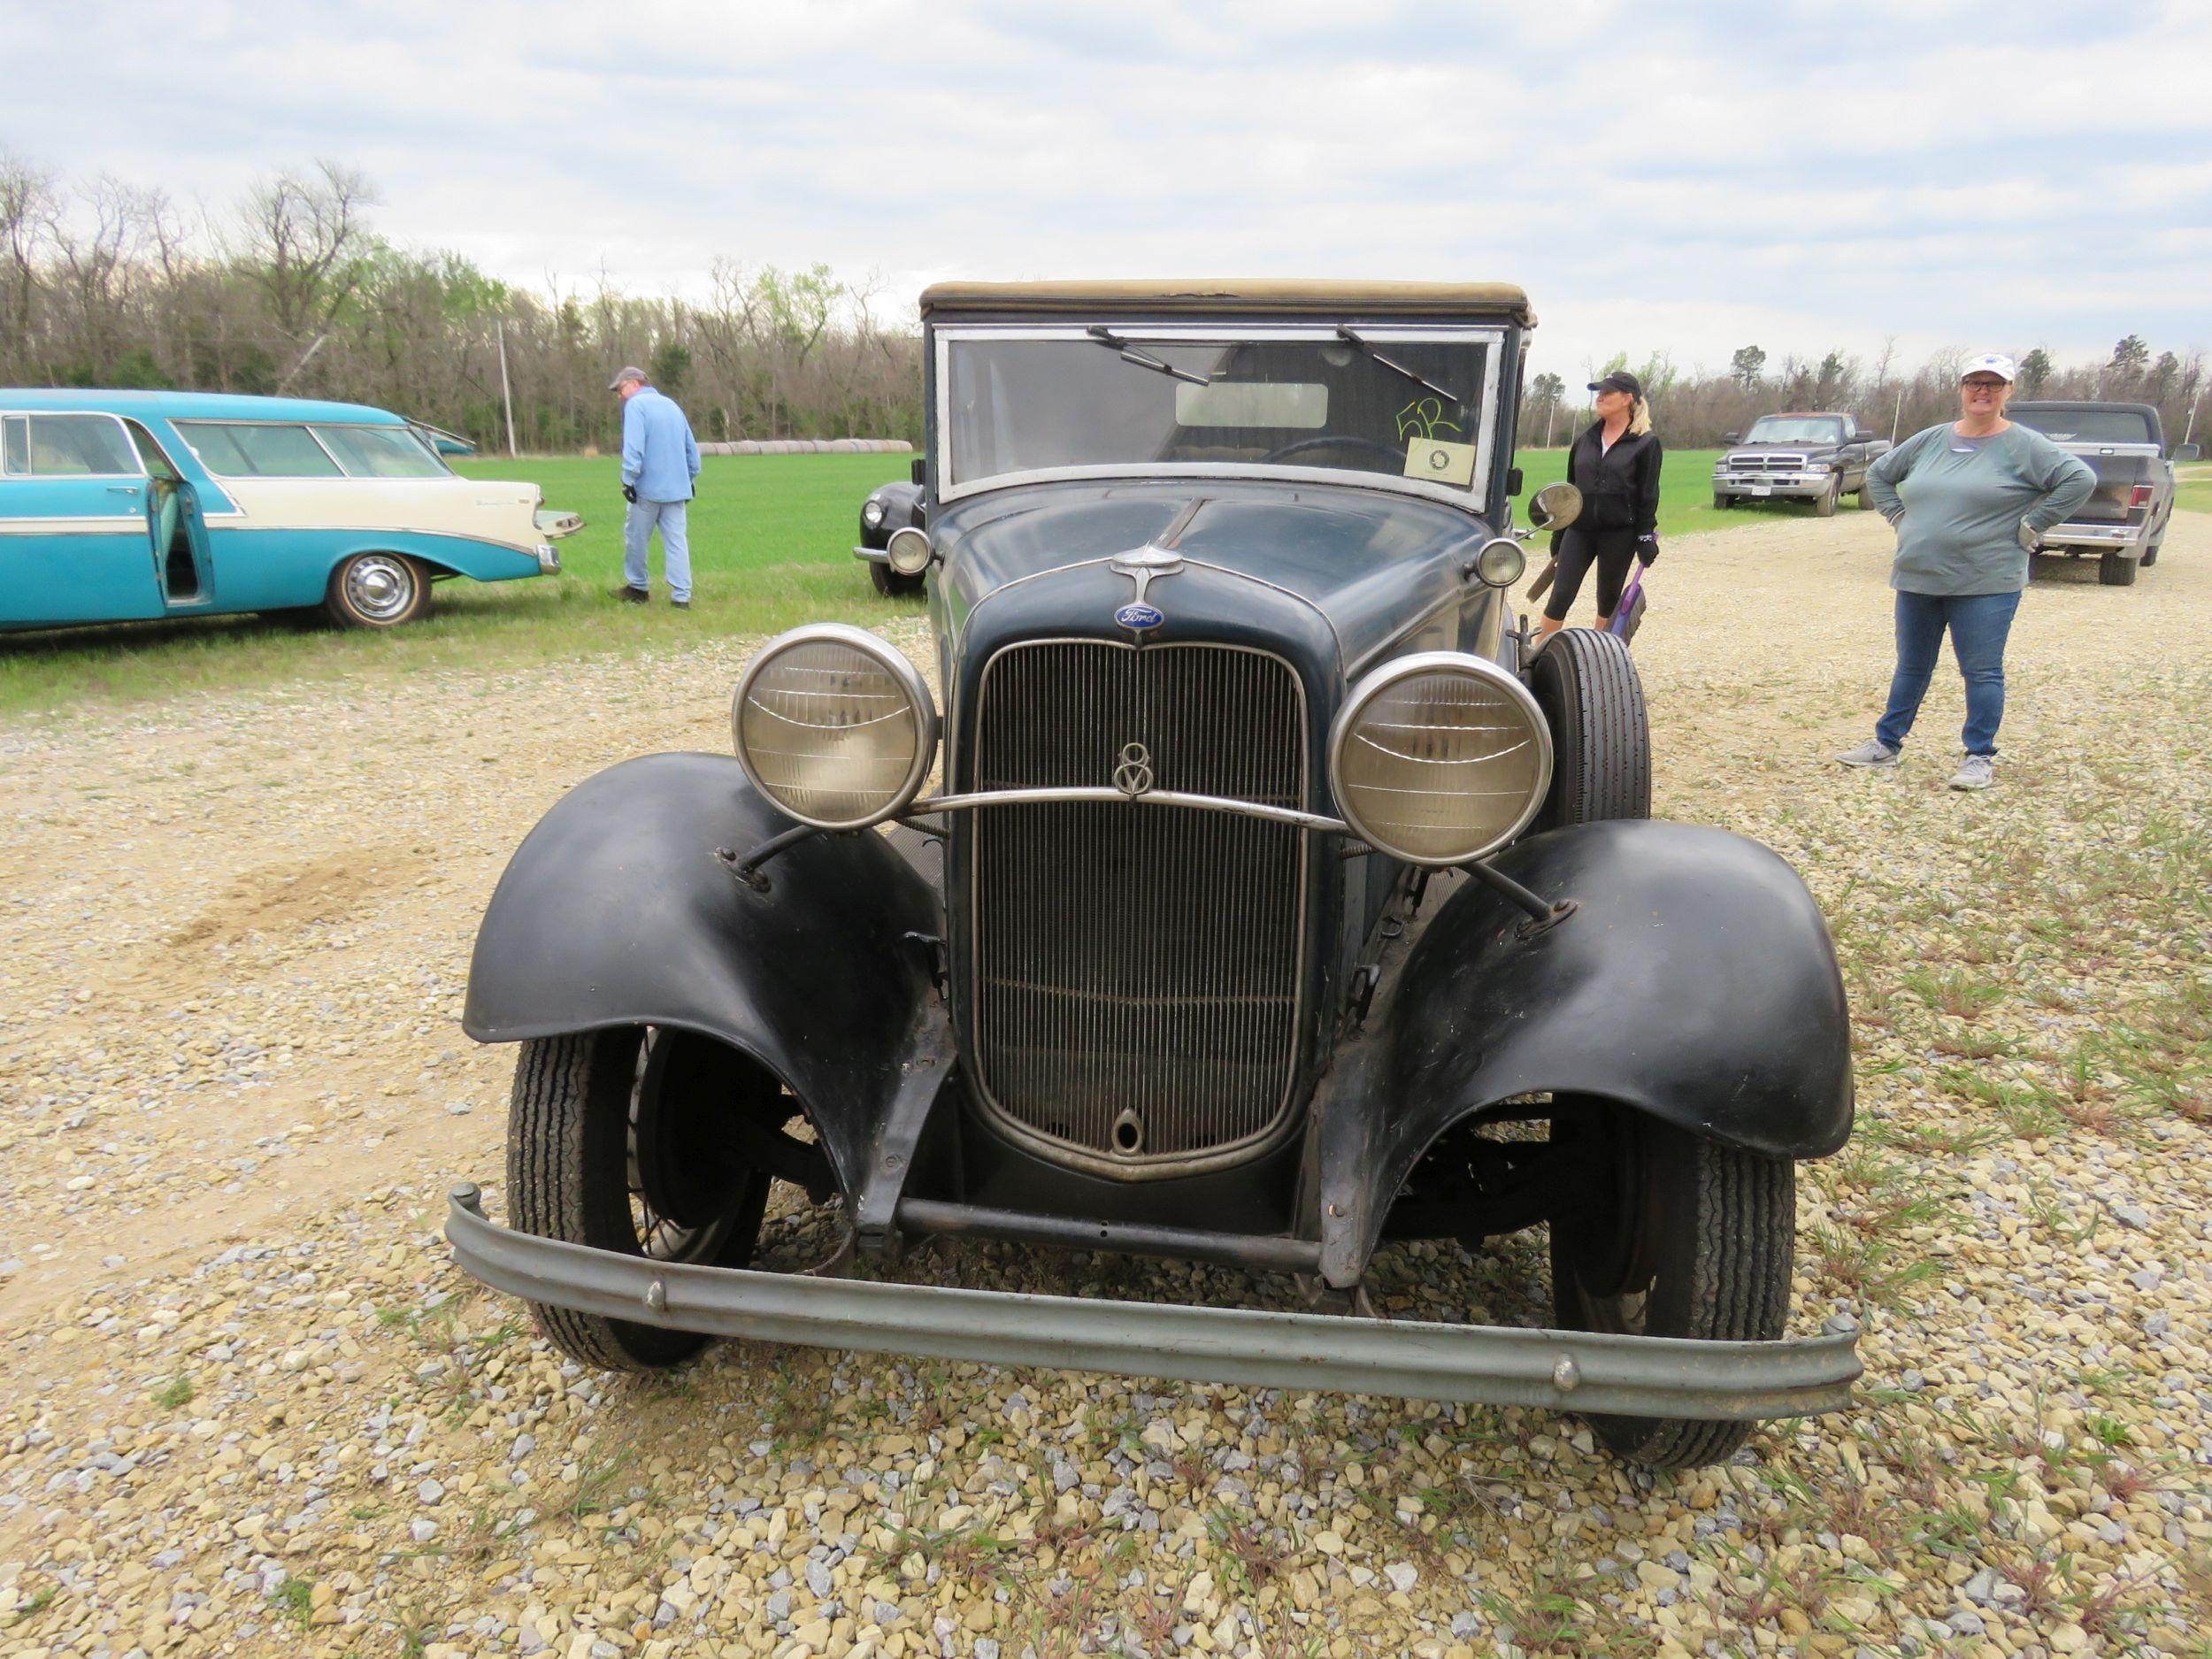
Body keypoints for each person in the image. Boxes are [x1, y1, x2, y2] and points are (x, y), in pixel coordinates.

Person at [1837, 353, 2094, 791]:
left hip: (1986, 581)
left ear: (2008, 392)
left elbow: (2079, 479)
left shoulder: (2023, 445)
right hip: (1919, 575)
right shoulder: (1932, 439)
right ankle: (1886, 744)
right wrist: (1900, 518)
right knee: (1912, 667)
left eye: (1994, 385)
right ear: (1961, 389)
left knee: (1981, 671)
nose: (1983, 391)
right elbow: (1880, 475)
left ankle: (1979, 756)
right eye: (1975, 382)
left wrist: (2034, 524)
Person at [1533, 369, 1663, 646]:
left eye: (1607, 393)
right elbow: (1569, 491)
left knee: (1608, 600)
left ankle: (1601, 658)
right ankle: (1536, 658)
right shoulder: (1584, 440)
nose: (1600, 398)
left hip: (1619, 533)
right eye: (1599, 393)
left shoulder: (1646, 443)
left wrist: (1644, 535)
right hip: (1579, 530)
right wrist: (1559, 533)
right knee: (1560, 596)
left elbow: (1648, 493)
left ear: (1627, 398)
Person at [608, 366, 702, 609]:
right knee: (677, 542)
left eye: (620, 389)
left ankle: (638, 587)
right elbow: (691, 449)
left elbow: (634, 448)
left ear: (634, 384)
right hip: (677, 489)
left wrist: (628, 480)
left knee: (636, 539)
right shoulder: (672, 406)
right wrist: (690, 478)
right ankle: (682, 597)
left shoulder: (636, 407)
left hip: (647, 490)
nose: (620, 396)